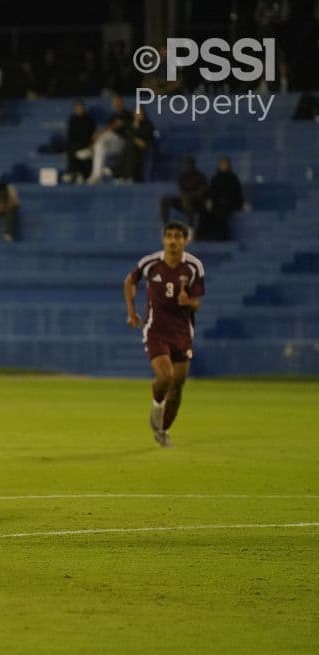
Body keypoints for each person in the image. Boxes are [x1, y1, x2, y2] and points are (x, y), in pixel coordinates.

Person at [124, 222, 205, 448]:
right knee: (166, 377)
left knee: (178, 386)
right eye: (168, 236)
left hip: (182, 333)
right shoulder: (150, 263)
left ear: (185, 241)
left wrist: (188, 302)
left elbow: (197, 302)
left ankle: (163, 430)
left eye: (178, 237)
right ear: (163, 239)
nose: (172, 240)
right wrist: (131, 312)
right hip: (156, 330)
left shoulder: (194, 267)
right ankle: (156, 404)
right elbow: (130, 281)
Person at [197, 157, 244, 241]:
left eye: (226, 164)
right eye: (222, 164)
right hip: (217, 203)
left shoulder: (233, 178)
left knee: (220, 211)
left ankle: (221, 237)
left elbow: (236, 194)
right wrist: (210, 201)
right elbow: (212, 192)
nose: (224, 166)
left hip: (231, 203)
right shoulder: (216, 178)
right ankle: (203, 236)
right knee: (204, 211)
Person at [87, 95, 132, 183]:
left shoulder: (127, 114)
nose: (117, 104)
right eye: (115, 102)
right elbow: (110, 127)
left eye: (118, 102)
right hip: (112, 145)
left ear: (122, 102)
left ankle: (90, 149)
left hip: (123, 144)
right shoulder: (113, 116)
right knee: (99, 146)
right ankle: (96, 176)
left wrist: (99, 134)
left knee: (107, 135)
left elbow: (115, 126)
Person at [159, 157, 208, 227]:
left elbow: (202, 192)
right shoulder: (182, 176)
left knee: (186, 199)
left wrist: (189, 195)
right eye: (186, 164)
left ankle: (191, 224)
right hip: (183, 199)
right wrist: (183, 195)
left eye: (189, 164)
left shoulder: (200, 176)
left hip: (197, 202)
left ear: (193, 165)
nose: (187, 166)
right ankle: (165, 223)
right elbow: (181, 191)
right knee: (165, 199)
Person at [116, 107, 155, 182]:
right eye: (136, 113)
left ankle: (122, 174)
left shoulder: (148, 124)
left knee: (129, 147)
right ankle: (126, 176)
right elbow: (126, 134)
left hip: (144, 149)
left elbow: (147, 137)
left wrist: (139, 141)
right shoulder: (131, 124)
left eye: (139, 113)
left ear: (143, 113)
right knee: (129, 148)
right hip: (132, 148)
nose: (138, 115)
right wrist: (135, 130)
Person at [65, 100, 96, 182]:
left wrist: (91, 145)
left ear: (84, 108)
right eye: (77, 108)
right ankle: (76, 172)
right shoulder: (72, 120)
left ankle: (72, 172)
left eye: (81, 108)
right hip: (75, 144)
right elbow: (70, 135)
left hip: (86, 143)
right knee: (70, 149)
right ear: (75, 109)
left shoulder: (90, 120)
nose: (80, 109)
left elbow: (93, 135)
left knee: (71, 150)